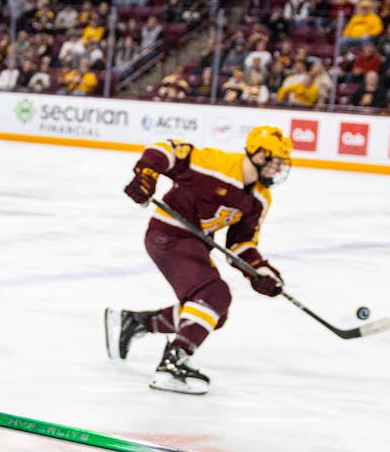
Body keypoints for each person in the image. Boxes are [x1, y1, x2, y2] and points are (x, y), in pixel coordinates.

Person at [103, 125, 292, 394]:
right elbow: (166, 149)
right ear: (259, 155)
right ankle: (174, 363)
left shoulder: (261, 197)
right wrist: (146, 173)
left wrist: (259, 271)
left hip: (195, 244)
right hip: (167, 235)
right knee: (214, 295)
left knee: (215, 312)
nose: (279, 169)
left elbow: (240, 243)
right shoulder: (217, 165)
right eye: (276, 162)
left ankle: (134, 323)